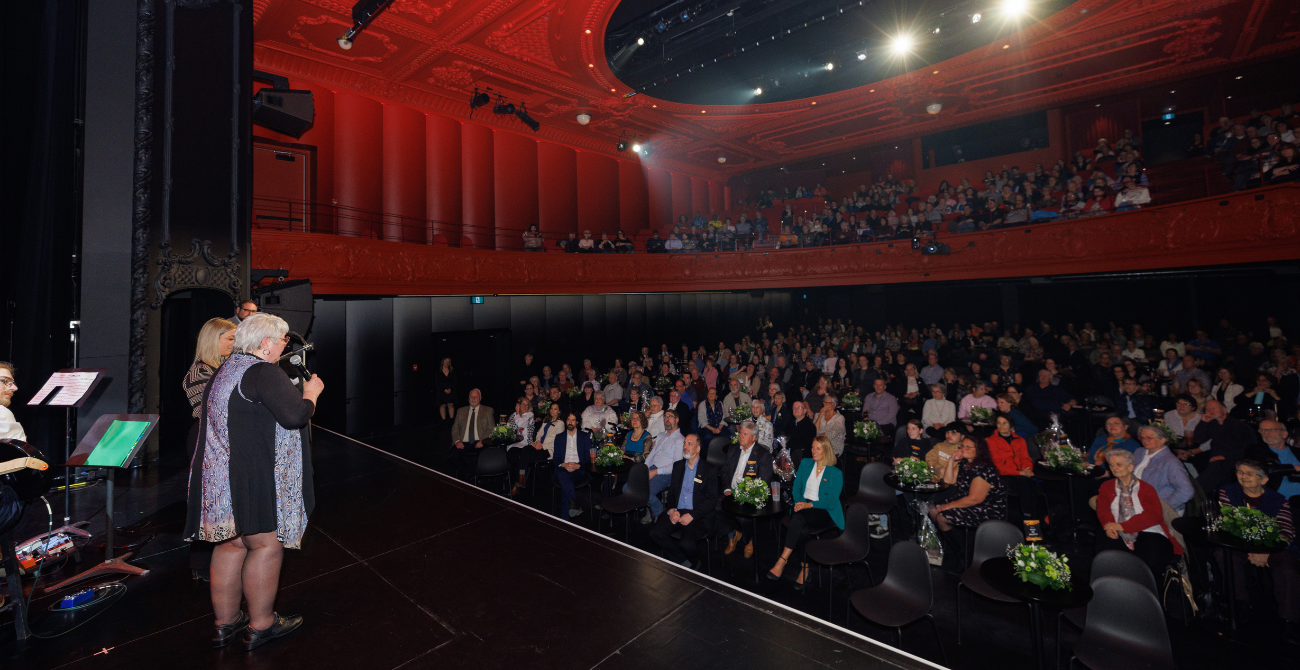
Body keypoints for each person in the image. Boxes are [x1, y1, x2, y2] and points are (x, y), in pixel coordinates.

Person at [184, 312, 323, 650]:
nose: (282, 348)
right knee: (265, 546)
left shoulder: (225, 369)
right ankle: (262, 624)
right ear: (265, 344)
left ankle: (225, 623)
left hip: (220, 476)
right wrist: (312, 394)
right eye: (281, 341)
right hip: (254, 474)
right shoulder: (263, 372)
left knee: (230, 546)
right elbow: (295, 416)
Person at [1216, 459, 1300, 640]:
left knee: (1287, 569)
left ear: (1264, 480)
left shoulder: (1278, 500)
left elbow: (1285, 531)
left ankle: (1289, 620)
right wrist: (1250, 549)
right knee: (1223, 555)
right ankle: (1240, 604)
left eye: (1249, 474)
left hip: (1272, 548)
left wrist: (1265, 552)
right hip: (1240, 544)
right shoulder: (1228, 492)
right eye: (1240, 472)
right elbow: (1229, 524)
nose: (1243, 477)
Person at [181, 318, 237, 581]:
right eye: (229, 339)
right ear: (212, 340)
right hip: (206, 439)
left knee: (222, 501)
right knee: (208, 501)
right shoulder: (198, 373)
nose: (234, 344)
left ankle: (220, 558)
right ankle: (201, 565)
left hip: (222, 438)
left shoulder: (225, 366)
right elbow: (213, 411)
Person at [766, 435, 844, 591]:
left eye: (818, 448)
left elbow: (831, 501)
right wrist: (799, 502)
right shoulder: (806, 464)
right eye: (813, 447)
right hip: (804, 507)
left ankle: (782, 560)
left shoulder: (835, 473)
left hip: (824, 511)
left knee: (799, 520)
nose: (813, 451)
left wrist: (808, 505)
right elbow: (796, 487)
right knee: (802, 529)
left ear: (826, 451)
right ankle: (805, 568)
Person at [1096, 449, 1182, 579]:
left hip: (1149, 531)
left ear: (1131, 467)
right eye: (1111, 465)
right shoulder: (1106, 487)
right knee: (1107, 558)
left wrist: (1124, 526)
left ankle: (1146, 594)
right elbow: (1103, 510)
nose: (1114, 468)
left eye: (1119, 464)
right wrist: (1108, 526)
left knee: (1149, 563)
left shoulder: (1146, 489)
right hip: (1117, 530)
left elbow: (1153, 516)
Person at [929, 434, 1008, 562]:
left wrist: (947, 506)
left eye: (968, 447)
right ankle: (957, 544)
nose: (963, 449)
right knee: (932, 509)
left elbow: (974, 499)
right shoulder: (965, 463)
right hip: (967, 501)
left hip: (986, 508)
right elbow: (948, 480)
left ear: (978, 450)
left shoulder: (983, 469)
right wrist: (951, 459)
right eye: (962, 446)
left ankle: (963, 554)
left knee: (942, 517)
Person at [650, 434, 719, 568]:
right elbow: (672, 493)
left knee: (686, 544)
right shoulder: (678, 466)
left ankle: (687, 561)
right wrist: (671, 510)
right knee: (655, 534)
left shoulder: (709, 470)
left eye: (690, 444)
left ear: (698, 448)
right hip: (678, 510)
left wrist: (692, 515)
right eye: (685, 443)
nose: (685, 447)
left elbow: (711, 500)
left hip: (697, 514)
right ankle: (685, 562)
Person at [719, 422, 774, 558]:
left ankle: (748, 540)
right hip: (730, 492)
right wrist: (727, 489)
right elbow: (725, 471)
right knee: (715, 506)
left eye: (745, 434)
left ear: (753, 438)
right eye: (740, 433)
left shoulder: (763, 454)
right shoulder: (733, 449)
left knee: (743, 518)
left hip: (748, 494)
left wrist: (743, 494)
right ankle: (732, 535)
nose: (741, 436)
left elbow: (764, 482)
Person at [1182, 400, 1255, 494]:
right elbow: (1198, 440)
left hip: (1237, 460)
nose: (1210, 411)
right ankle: (1195, 494)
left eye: (1214, 408)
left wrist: (1225, 457)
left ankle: (1193, 493)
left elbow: (1248, 448)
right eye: (1207, 409)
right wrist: (1203, 422)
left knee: (1217, 467)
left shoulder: (1239, 426)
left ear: (1225, 410)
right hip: (1217, 461)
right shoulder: (1213, 424)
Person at [1133, 425, 1195, 514]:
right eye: (1142, 437)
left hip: (1160, 512)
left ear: (1162, 440)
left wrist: (1161, 506)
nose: (1144, 440)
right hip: (1138, 503)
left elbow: (1186, 491)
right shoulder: (1139, 452)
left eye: (1149, 438)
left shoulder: (1171, 462)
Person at [988, 414, 1038, 523]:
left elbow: (1026, 459)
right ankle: (1030, 519)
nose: (1001, 426)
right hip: (1002, 474)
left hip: (1020, 474)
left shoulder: (1019, 440)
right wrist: (1020, 473)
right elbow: (996, 465)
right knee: (1026, 484)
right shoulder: (991, 441)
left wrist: (1027, 470)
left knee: (1029, 485)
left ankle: (1030, 518)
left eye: (1005, 423)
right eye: (999, 423)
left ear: (1011, 427)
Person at [642, 410, 685, 523]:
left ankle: (660, 514)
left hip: (666, 473)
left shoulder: (680, 440)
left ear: (677, 420)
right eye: (665, 417)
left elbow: (676, 466)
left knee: (645, 493)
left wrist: (655, 472)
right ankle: (649, 507)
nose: (666, 419)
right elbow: (651, 454)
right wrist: (645, 467)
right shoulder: (661, 435)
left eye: (670, 417)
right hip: (652, 468)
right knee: (627, 487)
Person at [511, 401, 561, 496]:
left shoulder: (560, 423)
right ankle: (521, 478)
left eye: (555, 409)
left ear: (559, 411)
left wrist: (542, 445)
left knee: (524, 457)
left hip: (548, 449)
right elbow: (538, 433)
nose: (553, 411)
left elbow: (557, 441)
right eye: (551, 408)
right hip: (538, 444)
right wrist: (538, 442)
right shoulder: (546, 420)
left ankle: (519, 481)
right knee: (525, 450)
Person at [551, 413, 592, 520]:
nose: (570, 422)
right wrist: (564, 464)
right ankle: (573, 503)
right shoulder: (559, 437)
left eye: (573, 420)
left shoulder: (584, 436)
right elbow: (555, 458)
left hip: (578, 469)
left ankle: (565, 518)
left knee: (565, 482)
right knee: (563, 475)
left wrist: (577, 466)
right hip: (563, 467)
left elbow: (588, 458)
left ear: (577, 422)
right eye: (568, 419)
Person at [448, 389, 495, 479]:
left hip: (480, 441)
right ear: (468, 399)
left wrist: (483, 441)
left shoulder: (488, 410)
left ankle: (482, 478)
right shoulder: (461, 411)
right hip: (464, 441)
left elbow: (491, 428)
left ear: (480, 398)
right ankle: (470, 473)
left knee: (486, 455)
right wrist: (457, 441)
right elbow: (455, 428)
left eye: (475, 397)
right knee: (451, 455)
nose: (473, 398)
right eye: (471, 396)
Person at [0, 362, 25, 441]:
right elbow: (15, 453)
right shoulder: (2, 412)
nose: (15, 388)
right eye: (5, 381)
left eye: (12, 383)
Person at [435, 358, 456, 424]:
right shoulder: (438, 371)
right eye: (445, 361)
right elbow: (437, 382)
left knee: (451, 405)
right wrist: (444, 389)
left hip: (451, 390)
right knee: (442, 405)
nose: (446, 363)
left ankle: (451, 420)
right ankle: (444, 421)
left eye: (448, 362)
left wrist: (450, 389)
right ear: (442, 362)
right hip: (441, 391)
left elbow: (454, 381)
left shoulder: (452, 371)